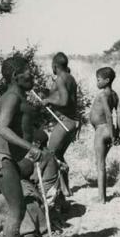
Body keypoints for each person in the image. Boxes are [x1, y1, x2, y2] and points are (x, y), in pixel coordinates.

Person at [0, 55, 42, 237]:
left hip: (8, 159)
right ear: (15, 76)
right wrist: (30, 147)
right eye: (28, 72)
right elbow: (2, 127)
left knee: (16, 208)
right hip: (2, 159)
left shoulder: (19, 96)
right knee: (17, 209)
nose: (32, 75)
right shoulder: (11, 96)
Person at [40, 52, 80, 196]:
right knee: (58, 155)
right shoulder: (71, 78)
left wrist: (49, 101)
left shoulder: (60, 79)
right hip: (73, 122)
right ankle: (65, 189)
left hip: (65, 122)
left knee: (50, 155)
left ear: (55, 66)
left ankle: (55, 190)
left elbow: (64, 101)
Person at [90, 67, 120, 204]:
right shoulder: (114, 95)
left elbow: (109, 115)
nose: (97, 82)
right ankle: (102, 195)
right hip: (110, 130)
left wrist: (110, 132)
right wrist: (116, 133)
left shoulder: (103, 95)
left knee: (100, 164)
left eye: (98, 80)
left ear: (107, 80)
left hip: (102, 130)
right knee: (101, 162)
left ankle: (102, 198)